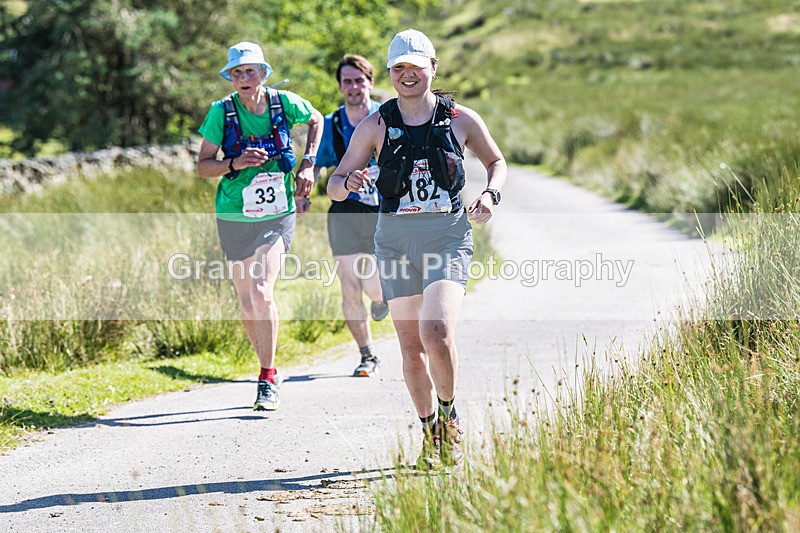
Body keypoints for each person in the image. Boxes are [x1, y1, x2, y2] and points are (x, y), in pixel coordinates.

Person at [327, 29, 507, 467]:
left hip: (447, 237)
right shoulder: (375, 125)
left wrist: (490, 195)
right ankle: (430, 431)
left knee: (437, 334)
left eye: (416, 67)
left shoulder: (461, 119)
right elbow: (333, 185)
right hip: (394, 243)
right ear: (390, 73)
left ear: (432, 68)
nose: (408, 75)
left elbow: (496, 163)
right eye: (399, 68)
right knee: (411, 349)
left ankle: (450, 415)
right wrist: (346, 182)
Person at [197, 42, 323, 411]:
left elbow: (317, 119)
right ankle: (266, 364)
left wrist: (309, 163)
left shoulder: (285, 103)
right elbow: (203, 166)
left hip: (276, 213)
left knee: (261, 292)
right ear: (230, 78)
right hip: (234, 214)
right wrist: (235, 162)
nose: (244, 78)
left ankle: (267, 377)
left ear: (263, 73)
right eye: (237, 72)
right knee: (245, 302)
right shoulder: (221, 113)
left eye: (250, 71)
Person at [314, 54, 388, 378]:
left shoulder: (386, 119)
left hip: (380, 212)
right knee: (348, 284)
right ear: (340, 87)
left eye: (359, 80)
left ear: (370, 83)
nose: (354, 87)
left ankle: (382, 298)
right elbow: (319, 162)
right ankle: (367, 355)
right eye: (347, 82)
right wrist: (305, 186)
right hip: (344, 211)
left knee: (373, 284)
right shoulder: (332, 125)